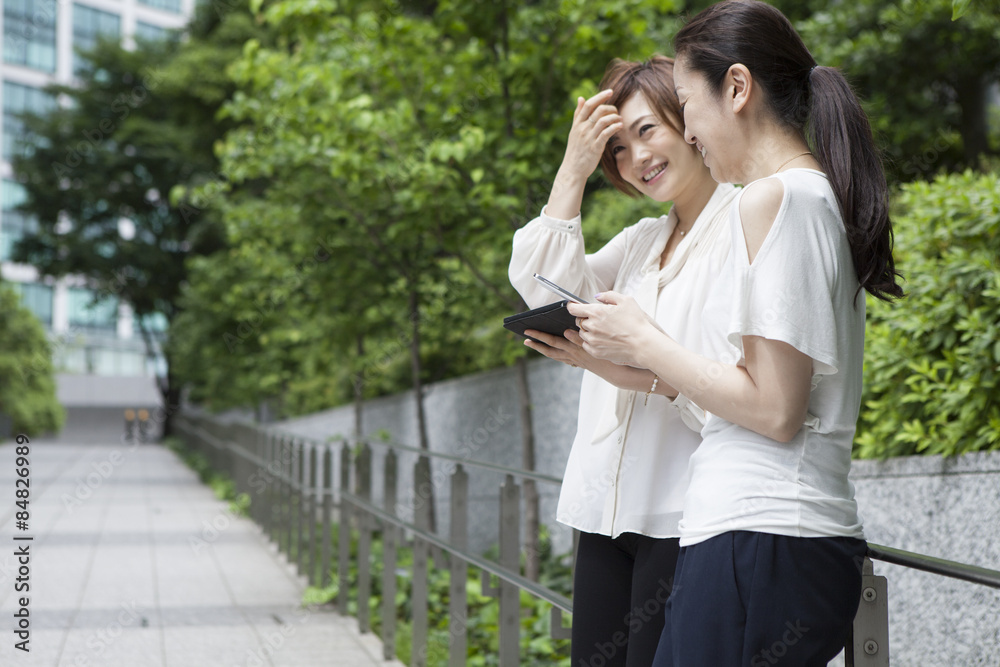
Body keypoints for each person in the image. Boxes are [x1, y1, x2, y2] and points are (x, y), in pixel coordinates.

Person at [567, 2, 904, 665]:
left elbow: (775, 410)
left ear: (739, 89)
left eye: (688, 105)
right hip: (759, 539)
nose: (688, 131)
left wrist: (645, 340)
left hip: (763, 537)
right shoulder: (805, 196)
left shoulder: (774, 197)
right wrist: (633, 367)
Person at [508, 56, 737, 667]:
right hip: (604, 503)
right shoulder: (641, 241)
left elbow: (738, 382)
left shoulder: (745, 223)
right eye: (617, 150)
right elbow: (544, 291)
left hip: (681, 508)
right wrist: (571, 172)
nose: (635, 159)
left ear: (687, 121)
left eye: (646, 131)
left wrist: (624, 371)